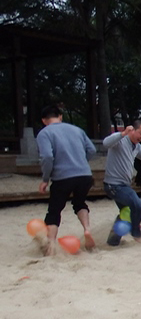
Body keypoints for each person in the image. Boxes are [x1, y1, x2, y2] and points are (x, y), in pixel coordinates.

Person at [35, 105, 97, 256]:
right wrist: (81, 161)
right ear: (60, 116)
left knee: (54, 210)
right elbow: (92, 150)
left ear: (44, 120)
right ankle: (87, 229)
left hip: (62, 177)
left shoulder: (44, 133)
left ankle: (51, 245)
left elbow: (47, 157)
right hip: (84, 175)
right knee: (79, 203)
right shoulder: (77, 130)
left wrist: (45, 179)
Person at [103, 120, 141, 246]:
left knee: (126, 212)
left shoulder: (137, 146)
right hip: (114, 185)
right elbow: (106, 143)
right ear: (132, 130)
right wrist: (122, 134)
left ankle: (113, 241)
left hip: (124, 185)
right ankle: (135, 232)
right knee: (138, 206)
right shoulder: (120, 140)